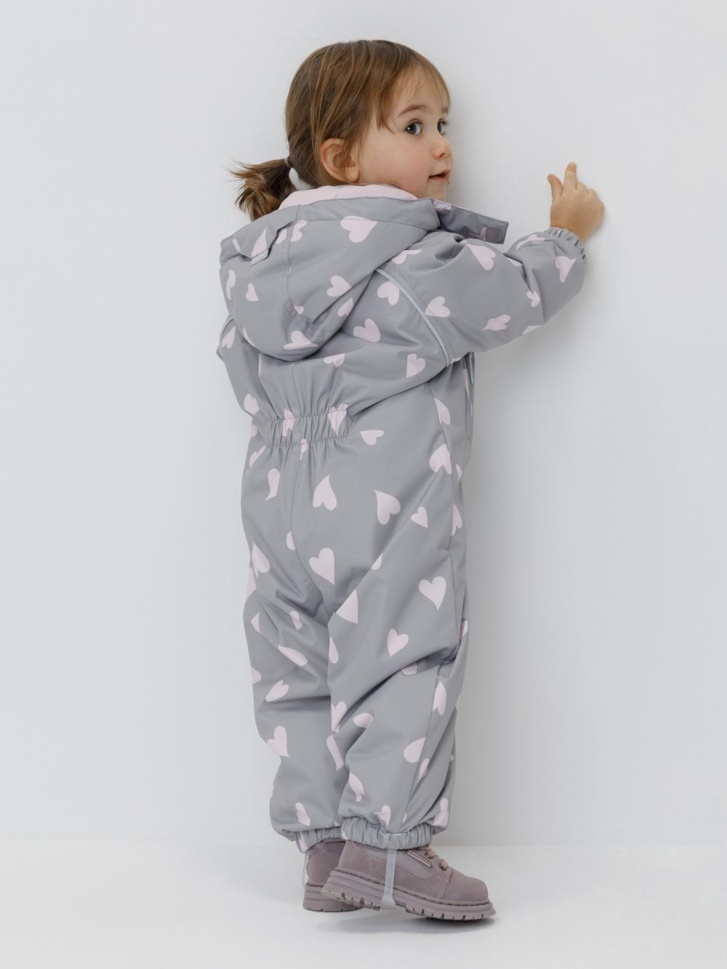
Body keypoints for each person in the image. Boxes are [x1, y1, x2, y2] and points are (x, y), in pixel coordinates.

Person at [215, 39, 604, 921]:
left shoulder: (259, 272)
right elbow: (512, 292)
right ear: (342, 157)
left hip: (276, 508)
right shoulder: (408, 263)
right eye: (415, 126)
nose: (443, 147)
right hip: (383, 501)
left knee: (295, 667)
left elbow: (239, 373)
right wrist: (563, 235)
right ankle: (389, 850)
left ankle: (326, 850)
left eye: (442, 125)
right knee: (400, 659)